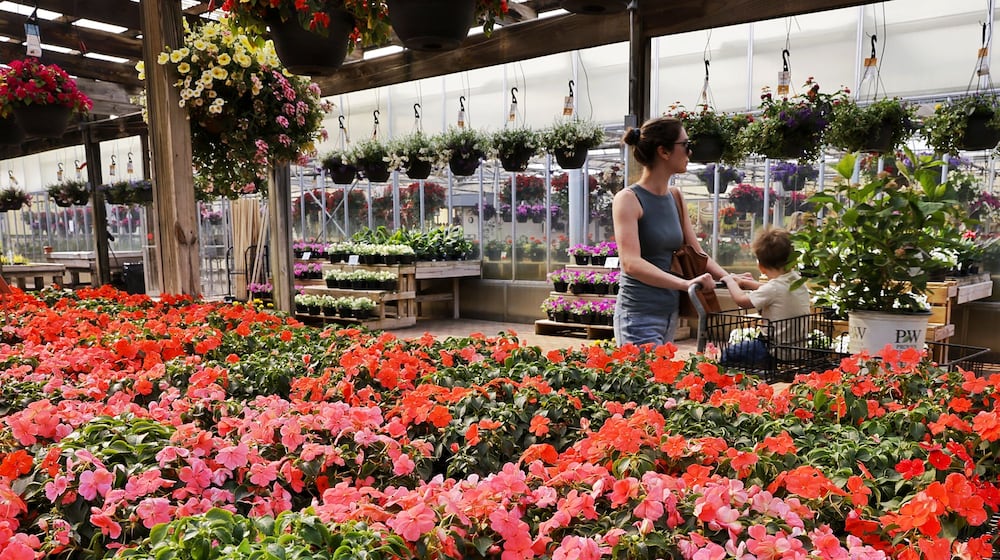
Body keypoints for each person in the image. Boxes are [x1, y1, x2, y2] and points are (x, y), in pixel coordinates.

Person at [612, 116, 751, 346]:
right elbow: (631, 263)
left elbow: (696, 253)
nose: (690, 152)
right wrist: (685, 284)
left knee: (660, 380)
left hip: (669, 314)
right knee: (647, 380)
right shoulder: (628, 199)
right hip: (638, 316)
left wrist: (727, 277)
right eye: (685, 146)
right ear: (663, 152)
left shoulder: (675, 196)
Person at [719, 227, 811, 366]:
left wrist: (729, 280)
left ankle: (728, 384)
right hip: (797, 349)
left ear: (761, 267)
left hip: (772, 350)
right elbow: (775, 291)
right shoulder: (796, 280)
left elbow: (742, 301)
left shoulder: (773, 288)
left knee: (729, 353)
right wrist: (745, 283)